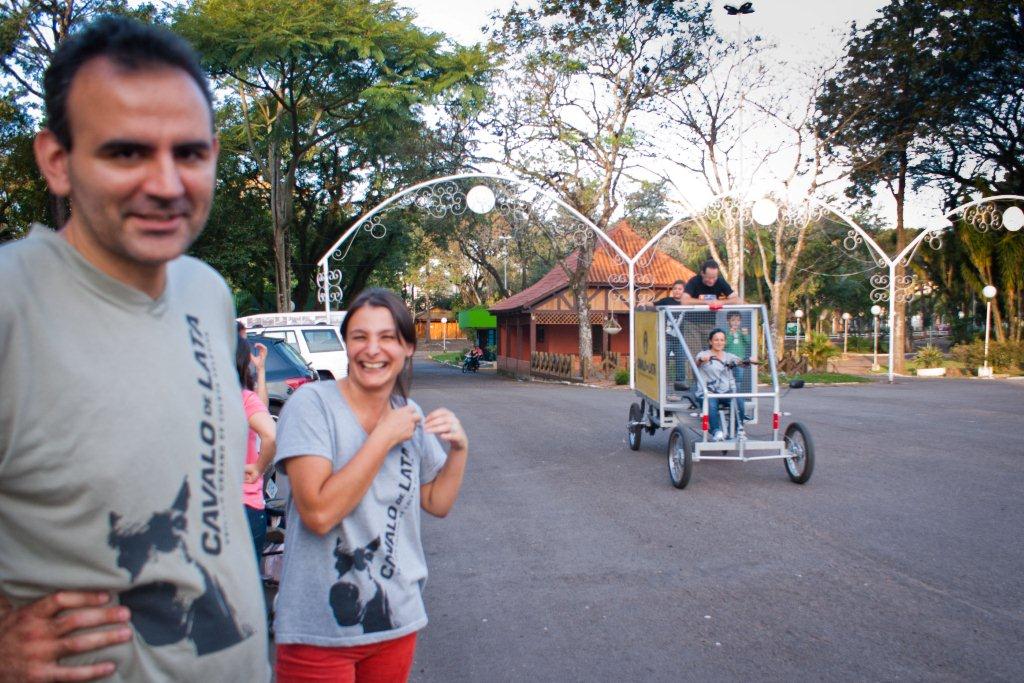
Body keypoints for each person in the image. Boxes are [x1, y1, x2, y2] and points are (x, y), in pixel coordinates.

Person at [0, 16, 268, 681]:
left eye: (190, 152)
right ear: (57, 161)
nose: (167, 183)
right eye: (126, 153)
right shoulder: (12, 304)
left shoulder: (206, 290)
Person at [271, 288, 468, 682]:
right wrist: (382, 437)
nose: (372, 349)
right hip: (318, 628)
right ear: (346, 344)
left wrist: (460, 449)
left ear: (407, 347)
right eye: (360, 337)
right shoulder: (311, 405)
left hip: (395, 619)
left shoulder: (408, 414)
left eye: (387, 337)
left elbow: (436, 501)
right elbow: (319, 513)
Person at [238, 337, 277, 566]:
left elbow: (259, 407)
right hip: (246, 502)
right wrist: (258, 468)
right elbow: (271, 434)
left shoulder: (200, 397)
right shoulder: (242, 398)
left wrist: (261, 371)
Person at [695, 328, 756, 441]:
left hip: (725, 392)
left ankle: (738, 430)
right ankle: (716, 431)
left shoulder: (728, 356)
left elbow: (740, 363)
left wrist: (750, 360)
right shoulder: (704, 354)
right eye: (716, 340)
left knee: (739, 402)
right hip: (708, 392)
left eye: (722, 340)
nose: (719, 342)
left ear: (725, 342)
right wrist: (702, 360)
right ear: (710, 342)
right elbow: (697, 362)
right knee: (711, 404)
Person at [654, 280, 687, 393]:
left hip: (680, 339)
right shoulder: (667, 301)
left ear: (684, 291)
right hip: (666, 338)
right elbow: (654, 304)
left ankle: (680, 385)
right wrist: (644, 303)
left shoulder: (687, 303)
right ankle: (662, 384)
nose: (677, 291)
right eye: (675, 289)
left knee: (680, 361)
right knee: (663, 360)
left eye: (680, 289)